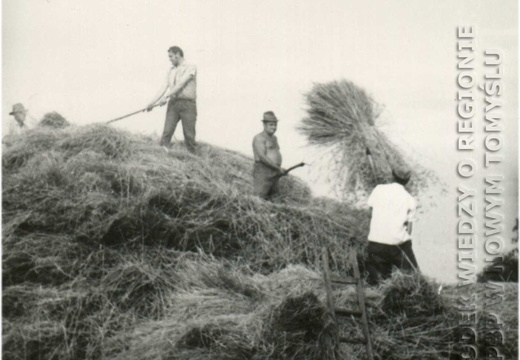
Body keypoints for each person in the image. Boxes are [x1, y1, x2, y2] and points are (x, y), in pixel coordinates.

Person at [365, 168, 419, 285]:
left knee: (378, 282)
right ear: (407, 181)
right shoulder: (410, 200)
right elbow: (409, 229)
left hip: (376, 243)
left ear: (392, 176)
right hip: (397, 246)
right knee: (413, 278)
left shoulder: (378, 189)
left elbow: (370, 213)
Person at [146, 46, 197, 153]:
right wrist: (152, 102)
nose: (169, 59)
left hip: (188, 105)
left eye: (171, 56)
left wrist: (166, 96)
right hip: (173, 104)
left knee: (189, 135)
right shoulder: (171, 70)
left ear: (177, 54)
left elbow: (181, 83)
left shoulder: (190, 66)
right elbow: (164, 86)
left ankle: (192, 159)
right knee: (167, 132)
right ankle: (162, 156)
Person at [252, 111, 287, 200]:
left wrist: (277, 168)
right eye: (271, 125)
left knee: (275, 198)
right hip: (263, 171)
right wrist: (278, 168)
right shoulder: (259, 138)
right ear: (264, 125)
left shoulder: (274, 138)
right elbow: (262, 157)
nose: (274, 127)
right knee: (260, 197)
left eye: (275, 125)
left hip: (274, 170)